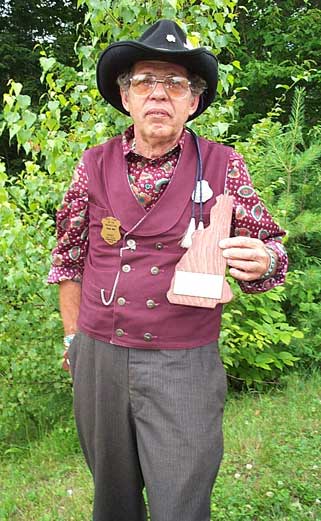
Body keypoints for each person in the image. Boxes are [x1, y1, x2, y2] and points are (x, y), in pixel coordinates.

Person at [48, 19, 288, 521]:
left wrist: (264, 259)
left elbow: (270, 251)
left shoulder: (225, 165)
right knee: (112, 499)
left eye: (175, 83)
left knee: (182, 500)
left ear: (193, 102)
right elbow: (68, 259)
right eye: (144, 82)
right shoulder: (92, 165)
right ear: (126, 97)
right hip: (100, 356)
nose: (159, 94)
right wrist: (74, 341)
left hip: (185, 360)